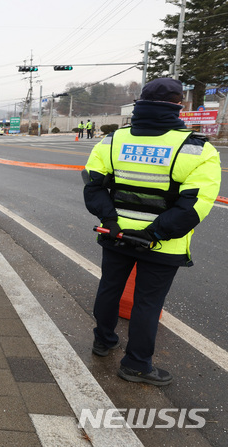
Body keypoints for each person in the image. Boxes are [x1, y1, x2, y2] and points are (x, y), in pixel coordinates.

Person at [82, 78, 221, 386]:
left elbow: (93, 188)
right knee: (147, 302)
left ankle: (103, 341)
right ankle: (136, 365)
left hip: (115, 235)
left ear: (139, 104)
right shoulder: (196, 149)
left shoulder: (112, 141)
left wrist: (112, 221)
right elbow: (195, 206)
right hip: (162, 246)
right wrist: (154, 233)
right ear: (179, 106)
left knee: (109, 288)